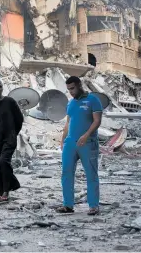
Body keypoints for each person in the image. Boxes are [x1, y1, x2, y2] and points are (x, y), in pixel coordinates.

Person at [57, 76, 103, 216]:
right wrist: (63, 140)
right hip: (71, 142)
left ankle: (93, 206)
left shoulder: (93, 100)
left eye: (72, 88)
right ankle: (68, 205)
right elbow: (68, 123)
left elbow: (97, 121)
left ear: (79, 85)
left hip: (87, 143)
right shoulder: (71, 103)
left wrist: (87, 135)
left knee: (91, 174)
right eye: (68, 89)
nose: (70, 91)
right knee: (66, 173)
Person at [0, 78, 24, 202]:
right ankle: (2, 192)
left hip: (9, 138)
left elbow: (19, 119)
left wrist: (13, 133)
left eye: (0, 86)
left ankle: (9, 188)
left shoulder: (9, 101)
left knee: (3, 161)